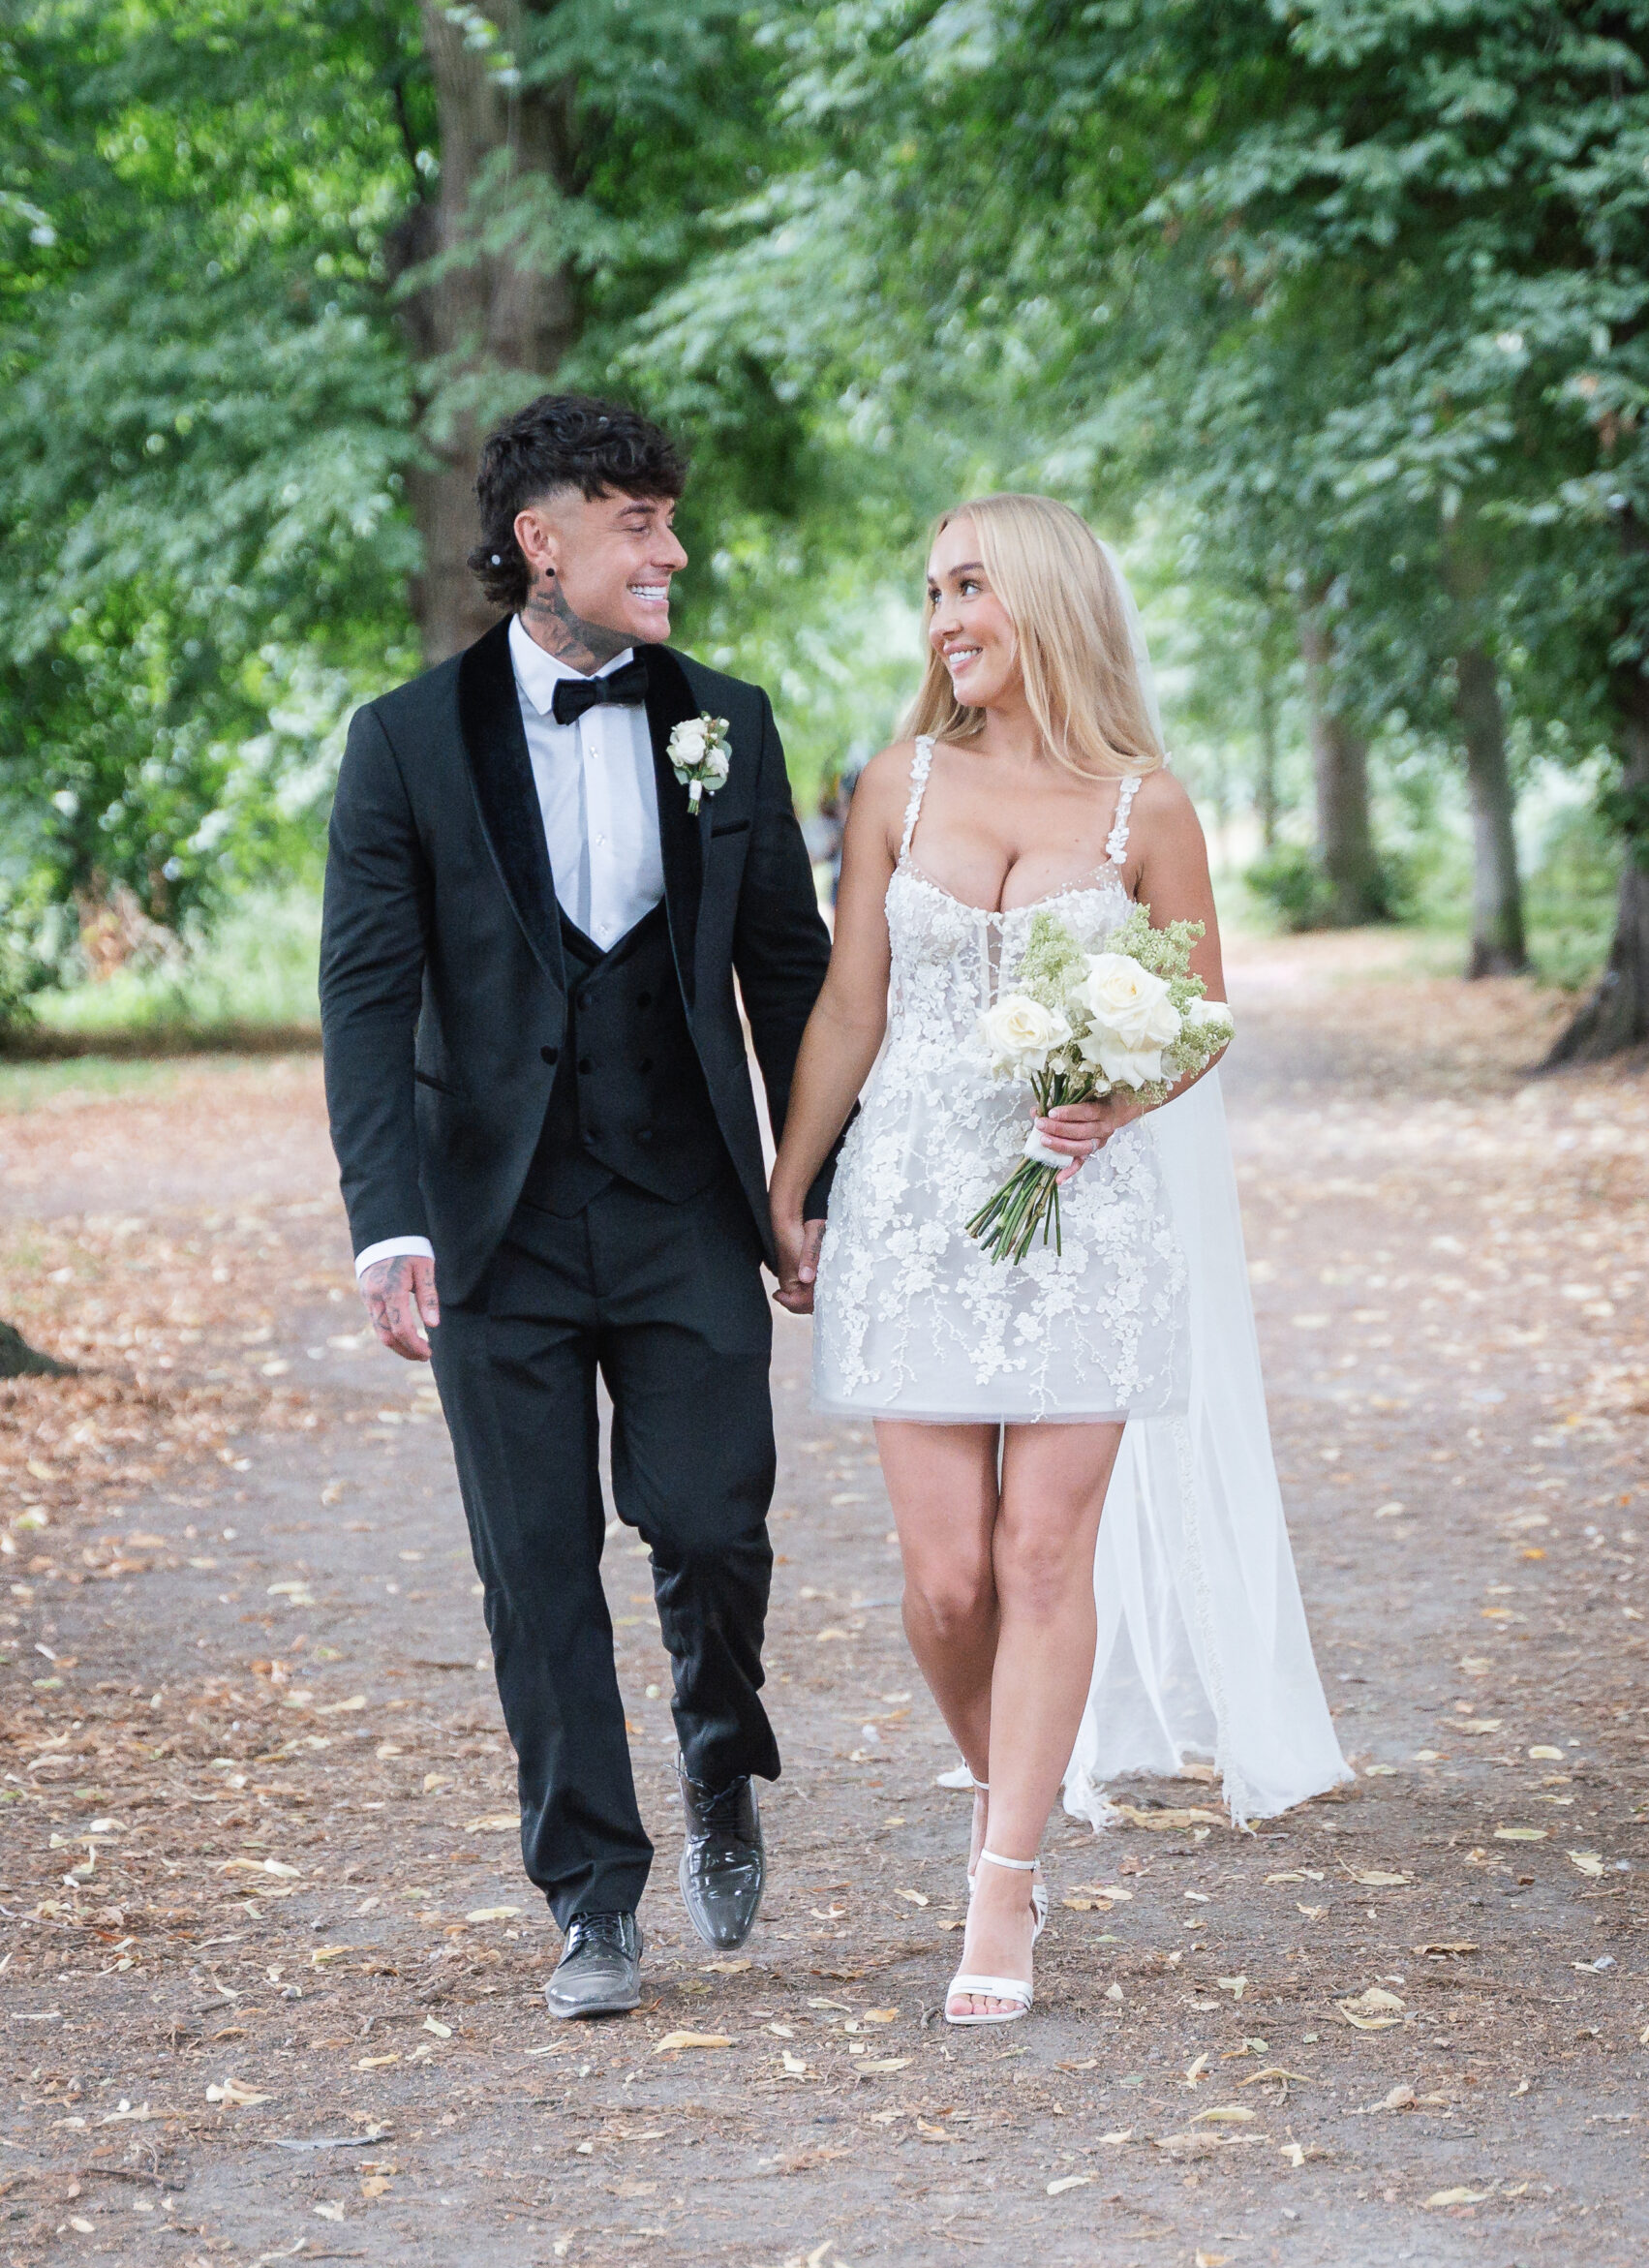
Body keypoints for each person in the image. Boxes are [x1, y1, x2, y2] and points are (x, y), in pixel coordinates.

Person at [768, 493, 1348, 2027]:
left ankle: (1003, 1880)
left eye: (970, 587)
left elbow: (1201, 1013)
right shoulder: (896, 783)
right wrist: (791, 1181)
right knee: (948, 1579)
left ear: (1046, 601)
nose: (944, 619)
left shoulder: (1145, 807)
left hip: (1083, 1213)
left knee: (1039, 1555)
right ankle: (1004, 1793)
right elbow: (852, 1005)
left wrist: (1118, 1092)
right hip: (911, 1209)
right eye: (932, 593)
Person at [320, 394, 836, 2020]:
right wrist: (388, 1222)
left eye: (671, 519)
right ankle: (592, 1899)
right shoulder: (405, 741)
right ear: (542, 543)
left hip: (685, 1201)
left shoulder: (728, 722)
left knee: (713, 1523)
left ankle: (718, 1754)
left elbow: (791, 973)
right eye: (639, 523)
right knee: (535, 1565)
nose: (672, 549)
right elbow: (365, 998)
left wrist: (816, 1183)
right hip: (496, 1222)